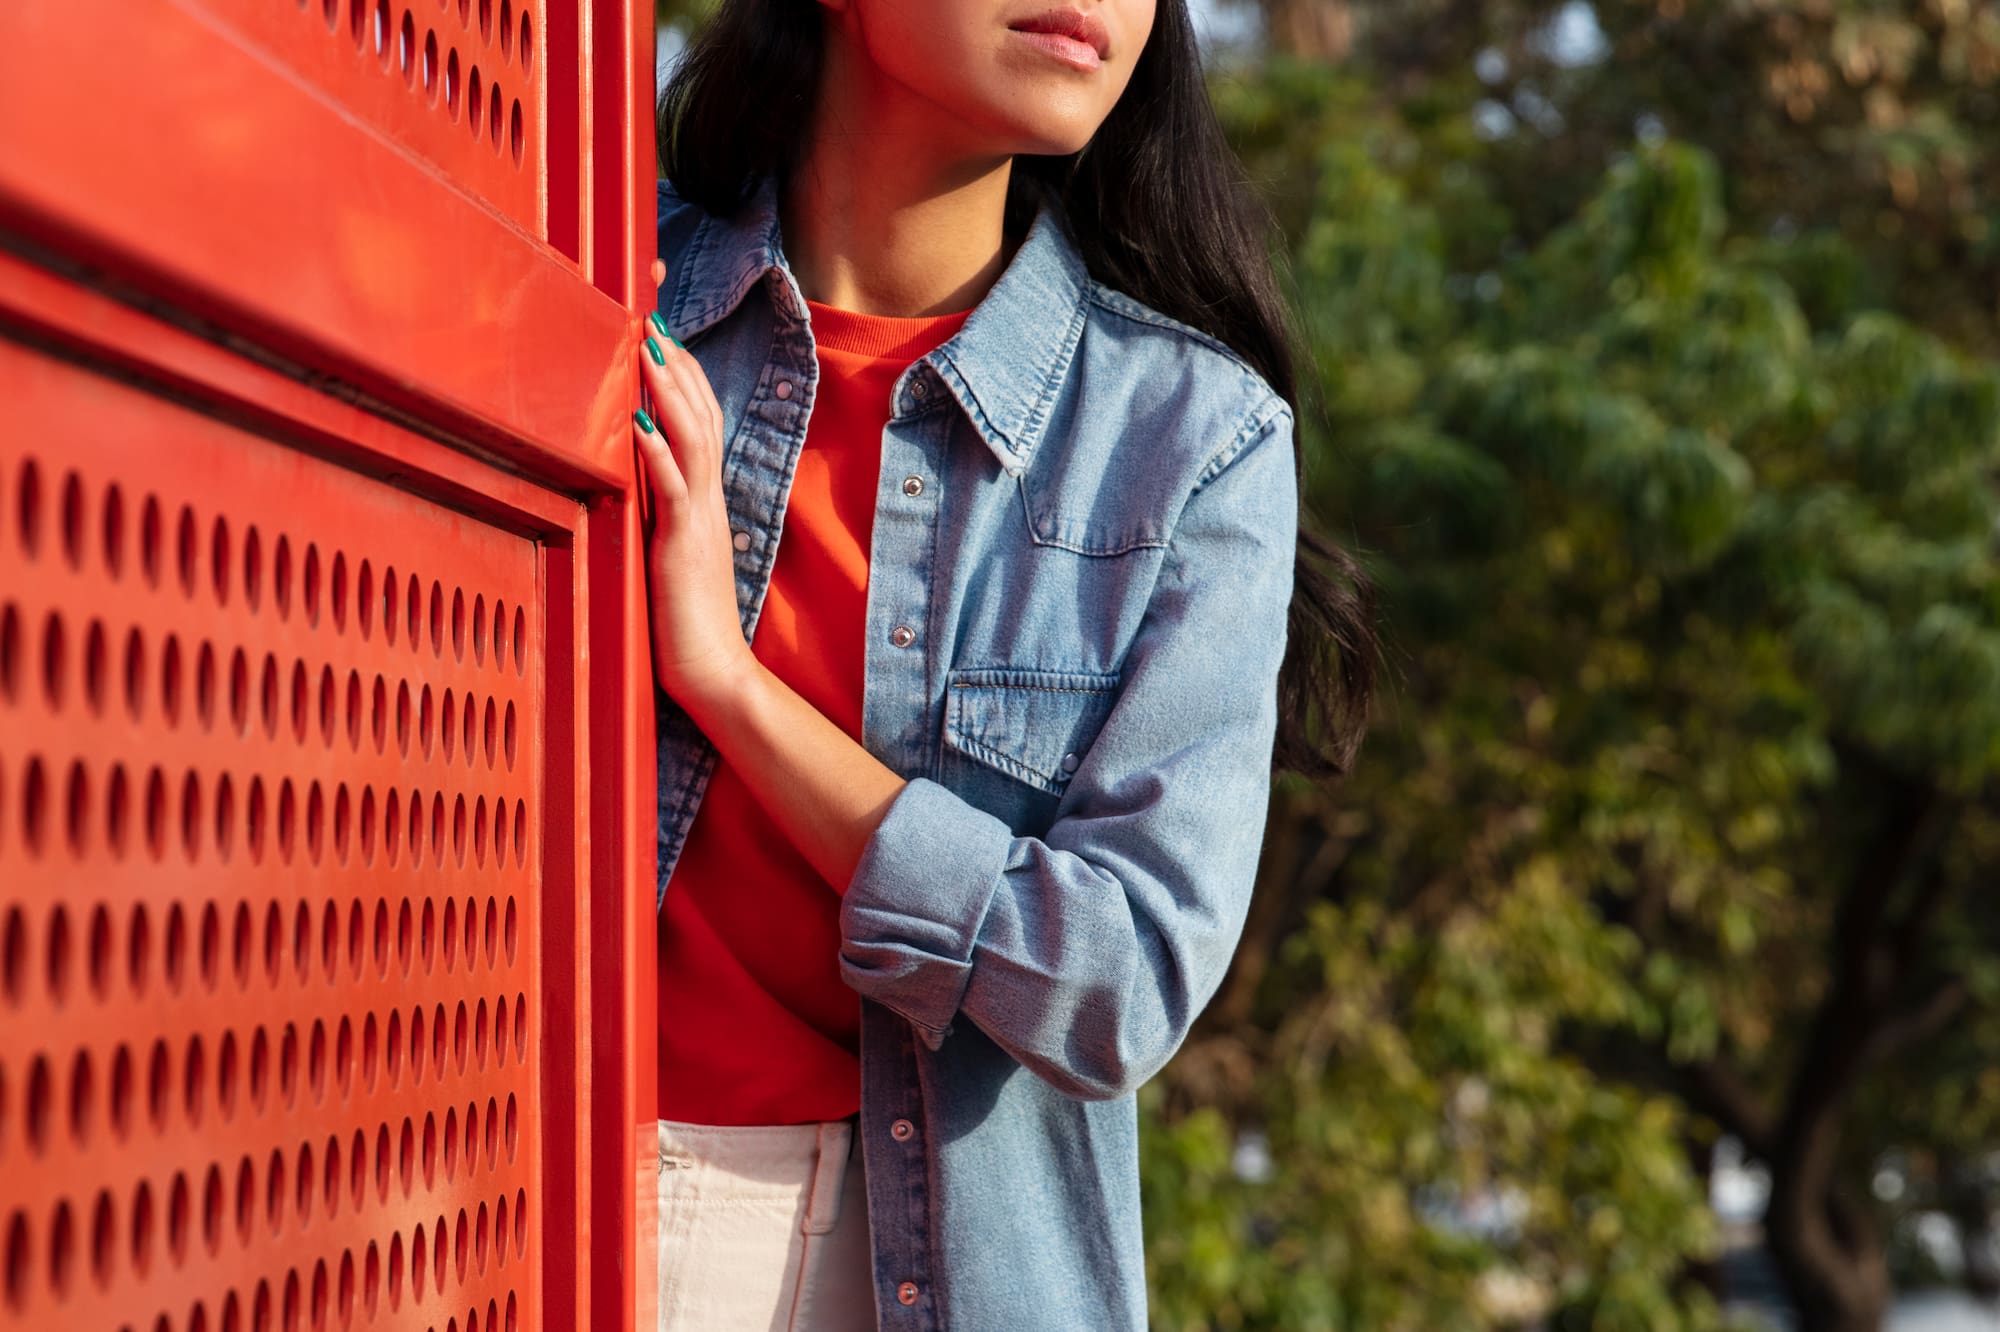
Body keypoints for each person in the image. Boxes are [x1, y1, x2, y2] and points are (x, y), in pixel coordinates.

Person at [633, 0, 1377, 1327]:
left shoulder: (1191, 442)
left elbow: (1117, 980)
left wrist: (728, 688)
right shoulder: (611, 310)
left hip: (899, 1272)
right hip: (507, 1192)